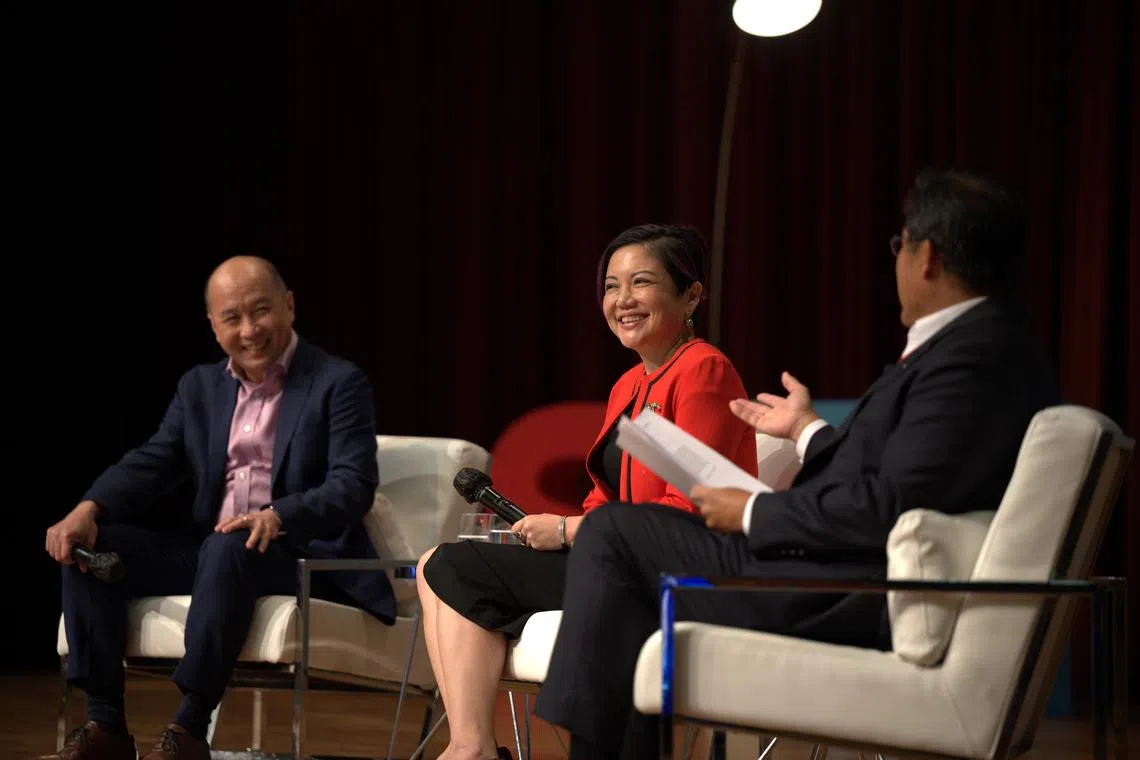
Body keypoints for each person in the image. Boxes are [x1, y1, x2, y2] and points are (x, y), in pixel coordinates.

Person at [531, 168, 1063, 759]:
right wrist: (808, 432)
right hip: (828, 566)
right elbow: (899, 476)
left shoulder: (972, 359)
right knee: (619, 555)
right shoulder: (977, 346)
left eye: (899, 245)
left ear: (927, 257)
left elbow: (889, 506)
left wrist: (755, 511)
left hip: (831, 585)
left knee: (613, 536)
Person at [415, 224, 758, 760]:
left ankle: (471, 748)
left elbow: (692, 508)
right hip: (617, 560)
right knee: (435, 563)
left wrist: (570, 531)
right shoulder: (631, 384)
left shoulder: (703, 371)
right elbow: (607, 495)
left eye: (640, 283)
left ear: (691, 295)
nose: (622, 300)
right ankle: (471, 742)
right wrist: (571, 532)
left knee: (454, 568)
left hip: (674, 570)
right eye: (611, 286)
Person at [42, 256, 393, 760]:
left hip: (294, 551)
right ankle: (105, 726)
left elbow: (352, 484)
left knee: (229, 545)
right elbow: (155, 461)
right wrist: (88, 507)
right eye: (232, 317)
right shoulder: (200, 387)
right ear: (213, 325)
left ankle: (188, 727)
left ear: (289, 306)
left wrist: (278, 514)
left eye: (261, 311)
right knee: (93, 548)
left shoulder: (337, 381)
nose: (250, 330)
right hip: (213, 550)